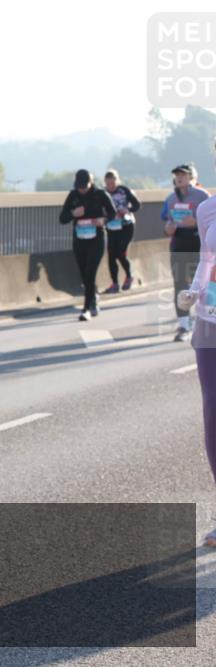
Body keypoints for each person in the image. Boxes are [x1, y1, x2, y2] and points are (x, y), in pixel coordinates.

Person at [177, 143, 216, 549]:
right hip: (211, 321)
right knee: (213, 415)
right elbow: (208, 259)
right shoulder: (206, 209)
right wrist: (194, 291)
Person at [58, 170, 116, 321]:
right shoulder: (73, 196)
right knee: (84, 276)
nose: (81, 189)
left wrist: (103, 220)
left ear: (91, 183)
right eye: (79, 186)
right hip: (79, 240)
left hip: (96, 239)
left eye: (84, 186)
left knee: (90, 272)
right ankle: (93, 297)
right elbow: (62, 218)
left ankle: (86, 308)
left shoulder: (100, 195)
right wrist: (73, 214)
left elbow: (112, 213)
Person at [163, 164, 209, 342]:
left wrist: (195, 222)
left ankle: (204, 320)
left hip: (198, 243)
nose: (179, 177)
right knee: (179, 284)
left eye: (183, 174)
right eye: (176, 175)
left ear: (192, 177)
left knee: (201, 285)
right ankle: (183, 325)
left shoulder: (202, 196)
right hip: (179, 243)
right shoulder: (170, 198)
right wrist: (168, 228)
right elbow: (167, 221)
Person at [101, 170, 141, 294]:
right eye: (108, 184)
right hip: (112, 227)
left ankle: (129, 276)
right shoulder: (102, 193)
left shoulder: (124, 190)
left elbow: (137, 205)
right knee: (111, 255)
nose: (111, 186)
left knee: (120, 252)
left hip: (126, 226)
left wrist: (127, 209)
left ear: (117, 181)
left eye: (113, 183)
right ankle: (115, 283)